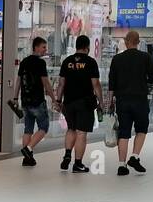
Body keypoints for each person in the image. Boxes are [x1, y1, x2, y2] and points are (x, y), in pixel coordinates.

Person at [107, 30, 153, 176]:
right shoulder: (145, 57)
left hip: (122, 101)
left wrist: (109, 102)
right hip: (140, 99)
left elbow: (111, 84)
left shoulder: (117, 59)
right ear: (138, 42)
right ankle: (134, 156)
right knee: (142, 129)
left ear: (126, 41)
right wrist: (143, 81)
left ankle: (122, 165)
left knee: (124, 132)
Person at [55, 35, 102, 173]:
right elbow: (96, 84)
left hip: (68, 102)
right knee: (81, 133)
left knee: (71, 129)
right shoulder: (91, 62)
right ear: (87, 47)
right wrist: (100, 101)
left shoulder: (67, 61)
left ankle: (67, 155)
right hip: (85, 102)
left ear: (76, 46)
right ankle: (78, 164)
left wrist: (58, 101)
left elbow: (61, 84)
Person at [12, 36, 54, 167]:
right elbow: (45, 82)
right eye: (43, 47)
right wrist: (54, 97)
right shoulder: (40, 63)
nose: (45, 50)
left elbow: (18, 80)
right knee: (43, 127)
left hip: (25, 100)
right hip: (37, 100)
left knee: (28, 129)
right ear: (36, 47)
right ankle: (28, 148)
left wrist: (15, 97)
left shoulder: (24, 62)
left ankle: (27, 158)